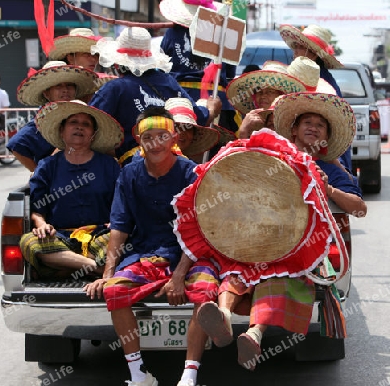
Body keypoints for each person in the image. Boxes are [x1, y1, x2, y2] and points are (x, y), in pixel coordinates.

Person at [195, 91, 366, 371]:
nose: (313, 127)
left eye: (320, 125)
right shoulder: (267, 155)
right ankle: (223, 316)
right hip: (258, 239)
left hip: (305, 246)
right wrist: (242, 133)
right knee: (236, 267)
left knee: (282, 274)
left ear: (325, 136)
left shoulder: (333, 171)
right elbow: (231, 175)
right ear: (294, 129)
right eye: (307, 122)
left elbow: (359, 209)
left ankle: (254, 334)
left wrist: (329, 190)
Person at [84, 107, 219, 386]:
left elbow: (197, 229)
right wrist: (108, 272)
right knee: (114, 290)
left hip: (190, 254)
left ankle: (189, 377)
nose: (155, 142)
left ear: (173, 140)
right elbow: (119, 227)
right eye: (148, 136)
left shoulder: (191, 173)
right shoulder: (129, 174)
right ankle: (138, 376)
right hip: (147, 251)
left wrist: (179, 276)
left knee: (205, 292)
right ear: (139, 140)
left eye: (162, 136)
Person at [19, 99, 123, 278]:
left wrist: (116, 223)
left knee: (122, 242)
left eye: (86, 124)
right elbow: (37, 210)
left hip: (100, 235)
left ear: (93, 134)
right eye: (73, 122)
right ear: (62, 130)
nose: (79, 127)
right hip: (60, 236)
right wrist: (42, 225)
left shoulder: (109, 165)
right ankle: (96, 269)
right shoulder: (47, 166)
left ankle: (66, 267)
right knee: (29, 242)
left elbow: (123, 203)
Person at [89, 26, 222, 166]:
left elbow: (91, 125)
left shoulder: (114, 88)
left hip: (132, 164)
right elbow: (197, 117)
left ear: (117, 64)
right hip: (171, 161)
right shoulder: (168, 81)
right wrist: (211, 110)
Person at [279, 24, 353, 172]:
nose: (295, 51)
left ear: (313, 54)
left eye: (300, 47)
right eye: (295, 47)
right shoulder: (293, 75)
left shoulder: (326, 85)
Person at [159, 0, 239, 135]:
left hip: (179, 99)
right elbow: (230, 73)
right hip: (215, 98)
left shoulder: (172, 32)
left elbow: (162, 65)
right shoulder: (224, 32)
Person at [7, 61, 98, 172]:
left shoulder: (79, 112)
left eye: (69, 85)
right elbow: (16, 145)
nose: (65, 90)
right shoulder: (44, 119)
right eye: (58, 86)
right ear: (47, 93)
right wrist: (39, 173)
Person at [226, 60, 306, 139]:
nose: (263, 96)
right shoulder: (250, 122)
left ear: (281, 96)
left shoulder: (291, 125)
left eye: (270, 91)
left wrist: (243, 132)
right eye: (259, 91)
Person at [164, 97, 220, 163]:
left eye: (187, 128)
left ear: (194, 133)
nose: (182, 133)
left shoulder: (191, 168)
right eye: (176, 127)